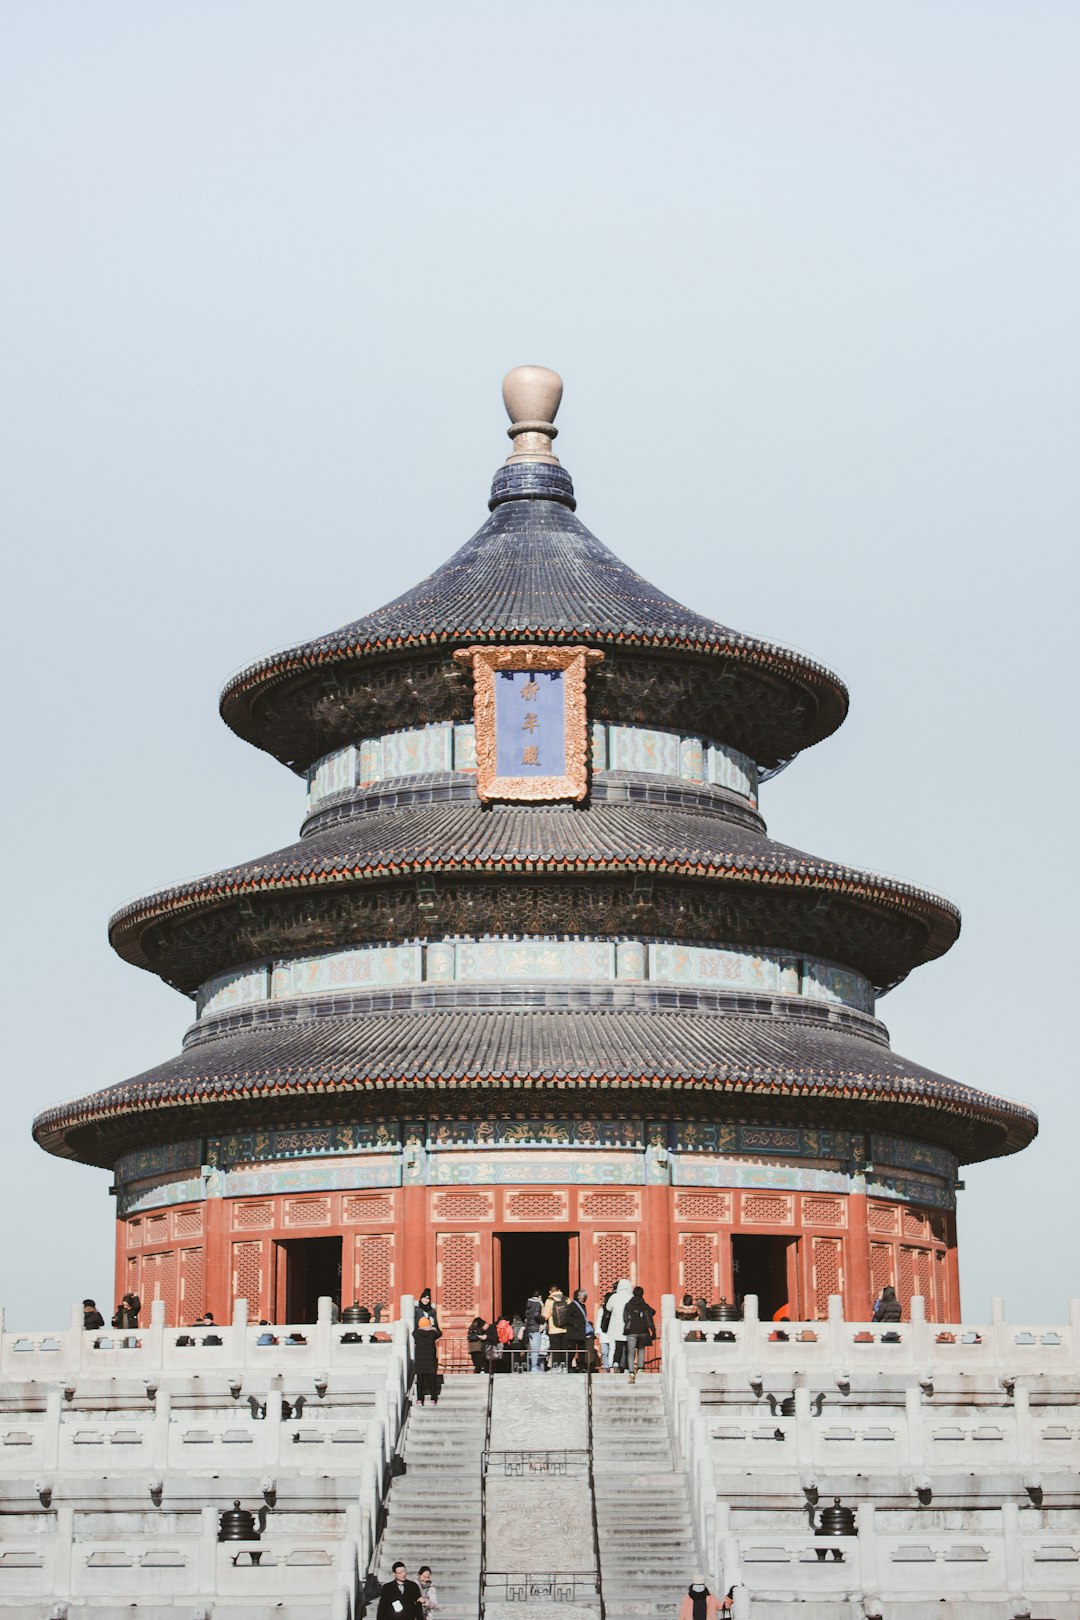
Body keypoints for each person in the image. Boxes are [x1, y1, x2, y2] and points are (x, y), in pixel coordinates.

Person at [622, 1285, 656, 1382]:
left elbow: (624, 1318)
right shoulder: (644, 1305)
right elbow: (652, 1312)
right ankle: (641, 1368)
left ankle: (631, 1371)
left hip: (631, 1331)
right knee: (641, 1349)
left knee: (631, 1352)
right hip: (643, 1331)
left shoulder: (628, 1305)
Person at [601, 1279, 633, 1372]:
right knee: (627, 1347)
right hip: (628, 1326)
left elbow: (608, 1308)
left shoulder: (614, 1297)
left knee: (618, 1347)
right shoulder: (631, 1297)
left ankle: (616, 1363)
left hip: (616, 1326)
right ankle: (626, 1366)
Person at [413, 1314, 441, 1405]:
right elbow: (439, 1333)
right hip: (430, 1360)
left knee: (420, 1381)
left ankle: (419, 1400)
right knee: (432, 1380)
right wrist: (433, 1326)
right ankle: (433, 1399)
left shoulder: (416, 1334)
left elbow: (414, 1331)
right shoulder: (432, 1334)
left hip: (420, 1361)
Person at [542, 1286, 569, 1371]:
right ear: (559, 1290)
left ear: (550, 1292)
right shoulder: (567, 1299)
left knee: (555, 1348)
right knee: (564, 1348)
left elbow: (545, 1316)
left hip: (554, 1329)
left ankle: (555, 1367)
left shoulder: (549, 1301)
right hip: (565, 1328)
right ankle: (564, 1367)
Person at [565, 1288, 590, 1372]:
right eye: (582, 1297)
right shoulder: (572, 1305)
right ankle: (568, 1366)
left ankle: (582, 1367)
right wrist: (575, 1324)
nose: (583, 1299)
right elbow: (567, 1318)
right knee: (571, 1350)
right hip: (573, 1332)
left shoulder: (583, 1306)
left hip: (581, 1332)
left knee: (582, 1350)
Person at [524, 1288, 547, 1373]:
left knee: (532, 1348)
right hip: (535, 1328)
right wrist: (543, 1319)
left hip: (529, 1328)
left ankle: (534, 1366)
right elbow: (536, 1315)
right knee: (536, 1349)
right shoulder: (537, 1303)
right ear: (539, 1296)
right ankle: (534, 1367)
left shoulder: (529, 1304)